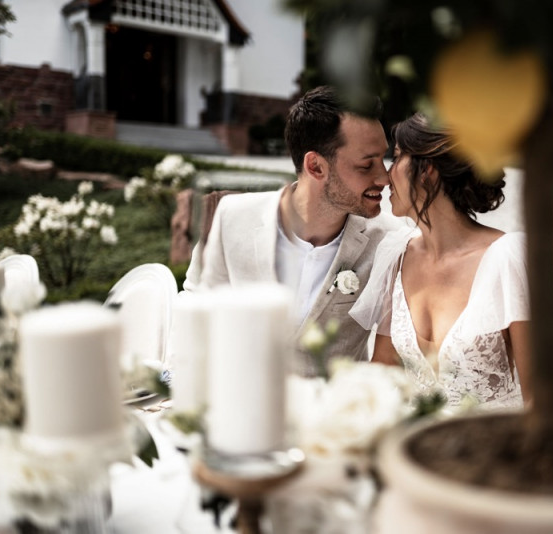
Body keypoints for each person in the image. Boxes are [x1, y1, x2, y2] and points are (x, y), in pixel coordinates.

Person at [184, 86, 398, 375]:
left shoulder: (390, 242)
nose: (384, 178)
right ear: (316, 166)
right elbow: (193, 310)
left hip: (332, 415)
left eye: (383, 159)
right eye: (366, 165)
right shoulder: (231, 218)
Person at [350, 113, 531, 409]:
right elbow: (384, 368)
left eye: (396, 158)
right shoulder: (397, 255)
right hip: (416, 442)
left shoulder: (507, 258)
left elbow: (539, 397)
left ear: (428, 171)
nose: (385, 176)